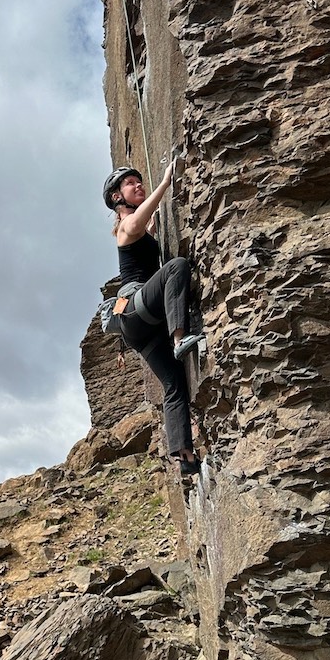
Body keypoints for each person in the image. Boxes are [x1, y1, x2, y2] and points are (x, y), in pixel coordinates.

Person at [104, 162, 201, 477]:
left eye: (139, 182)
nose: (138, 186)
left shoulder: (138, 230)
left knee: (174, 381)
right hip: (136, 306)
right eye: (131, 184)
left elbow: (146, 233)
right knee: (176, 267)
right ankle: (179, 337)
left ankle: (184, 456)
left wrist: (154, 232)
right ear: (118, 197)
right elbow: (138, 224)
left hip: (139, 327)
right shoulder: (125, 226)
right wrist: (165, 182)